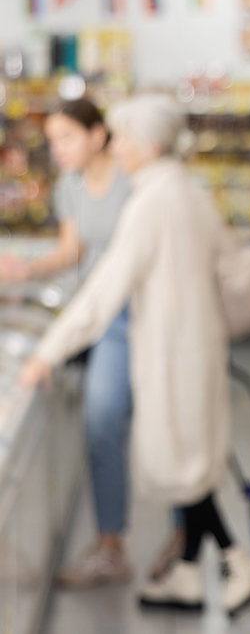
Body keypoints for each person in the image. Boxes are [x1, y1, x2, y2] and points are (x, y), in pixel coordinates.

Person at [17, 94, 250, 615]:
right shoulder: (187, 191)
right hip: (194, 343)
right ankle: (191, 572)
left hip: (171, 350)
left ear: (149, 144)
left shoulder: (152, 202)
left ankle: (238, 562)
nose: (118, 147)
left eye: (125, 137)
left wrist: (47, 352)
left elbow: (104, 290)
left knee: (184, 464)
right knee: (192, 460)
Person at [0, 99, 185, 588]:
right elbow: (73, 252)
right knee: (102, 422)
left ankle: (186, 538)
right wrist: (24, 269)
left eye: (66, 138)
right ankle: (110, 546)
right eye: (52, 140)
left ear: (99, 136)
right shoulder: (70, 188)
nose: (57, 149)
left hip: (153, 311)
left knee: (169, 424)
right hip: (108, 317)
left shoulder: (138, 181)